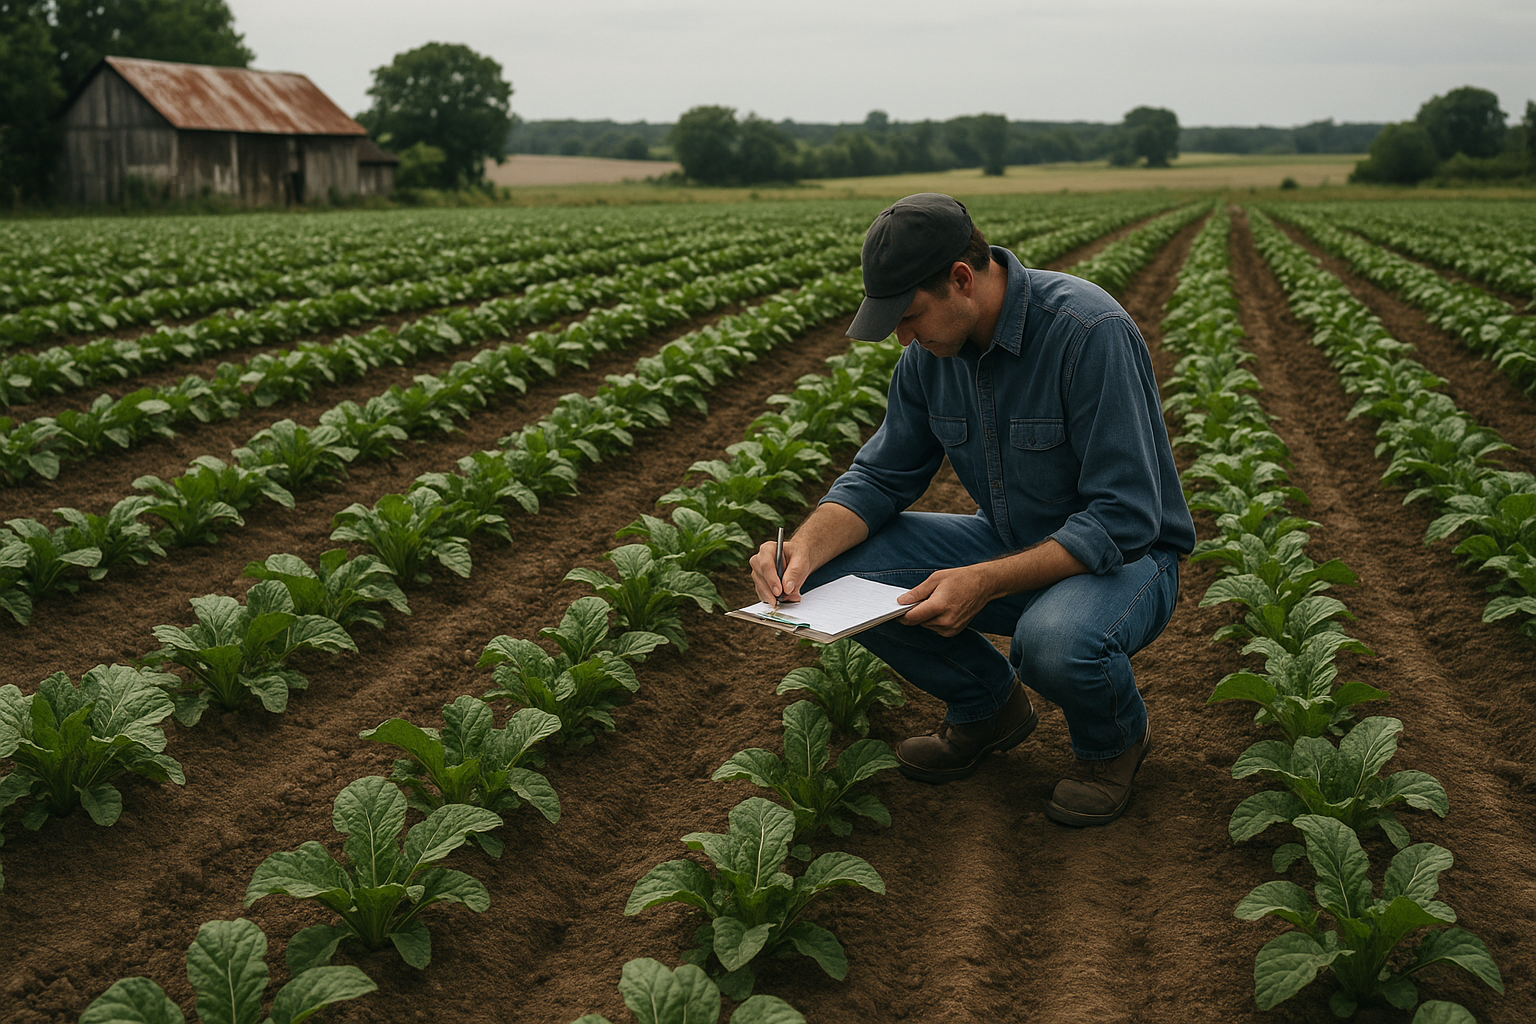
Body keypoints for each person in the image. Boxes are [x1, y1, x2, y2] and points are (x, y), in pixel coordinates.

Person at [749, 193, 1195, 827]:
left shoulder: (1088, 333)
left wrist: (984, 580)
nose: (903, 337)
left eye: (909, 316)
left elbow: (1123, 518)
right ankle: (988, 707)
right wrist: (800, 552)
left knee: (1053, 640)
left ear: (962, 277)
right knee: (830, 574)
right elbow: (879, 476)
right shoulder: (928, 359)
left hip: (1127, 562)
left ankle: (1113, 742)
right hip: (1013, 540)